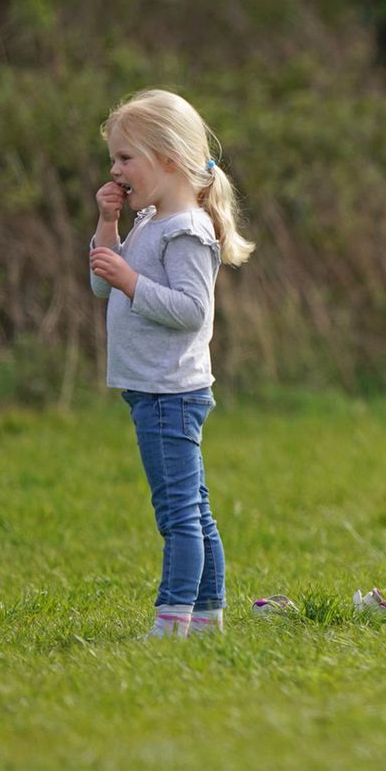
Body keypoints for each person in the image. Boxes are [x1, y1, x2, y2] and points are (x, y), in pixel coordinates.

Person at [89, 89, 255, 639]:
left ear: (167, 159)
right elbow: (98, 281)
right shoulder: (150, 220)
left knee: (178, 515)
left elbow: (190, 312)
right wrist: (108, 226)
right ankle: (208, 618)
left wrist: (130, 281)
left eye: (124, 158)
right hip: (153, 390)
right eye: (113, 158)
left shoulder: (186, 230)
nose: (115, 170)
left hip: (169, 392)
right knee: (194, 509)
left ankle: (173, 620)